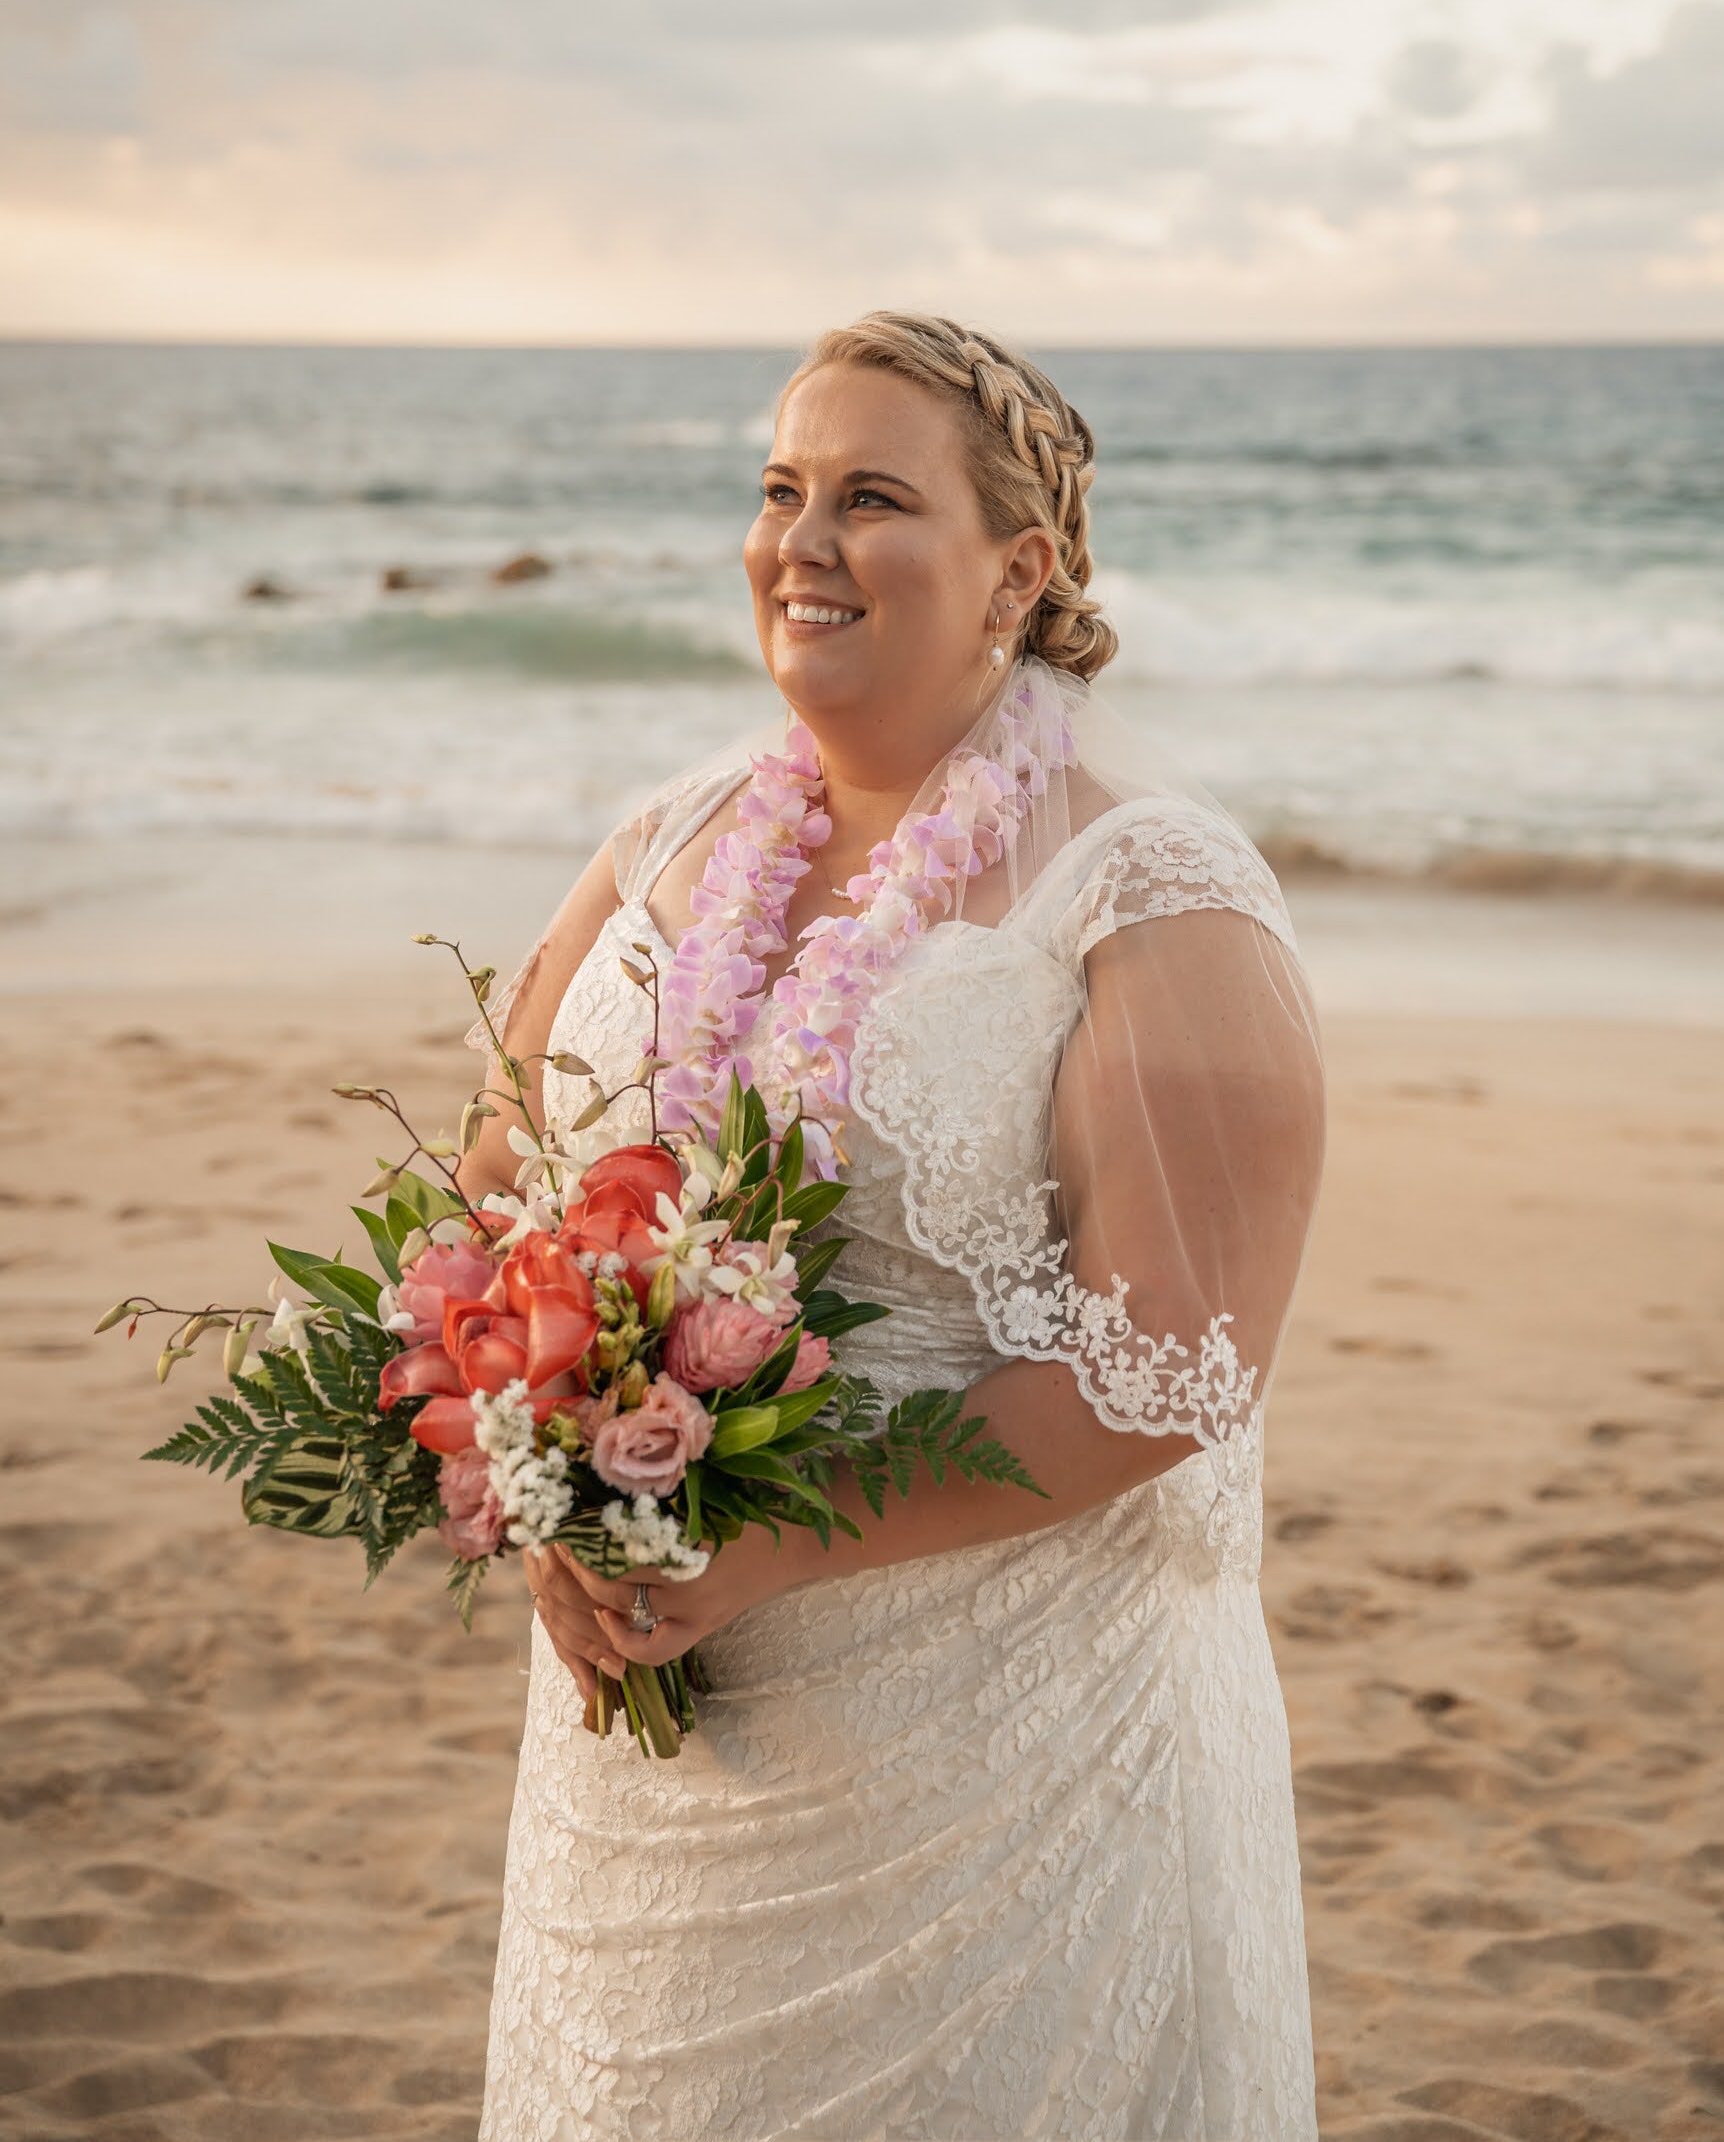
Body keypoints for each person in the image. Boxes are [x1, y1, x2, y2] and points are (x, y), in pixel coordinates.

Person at [462, 310, 1328, 2141]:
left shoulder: (1151, 890)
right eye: (781, 489)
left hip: (997, 1770)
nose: (803, 541)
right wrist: (542, 1492)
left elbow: (1171, 1367)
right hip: (650, 1738)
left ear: (1021, 568)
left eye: (870, 498)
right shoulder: (663, 840)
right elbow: (491, 1188)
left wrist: (772, 1544)